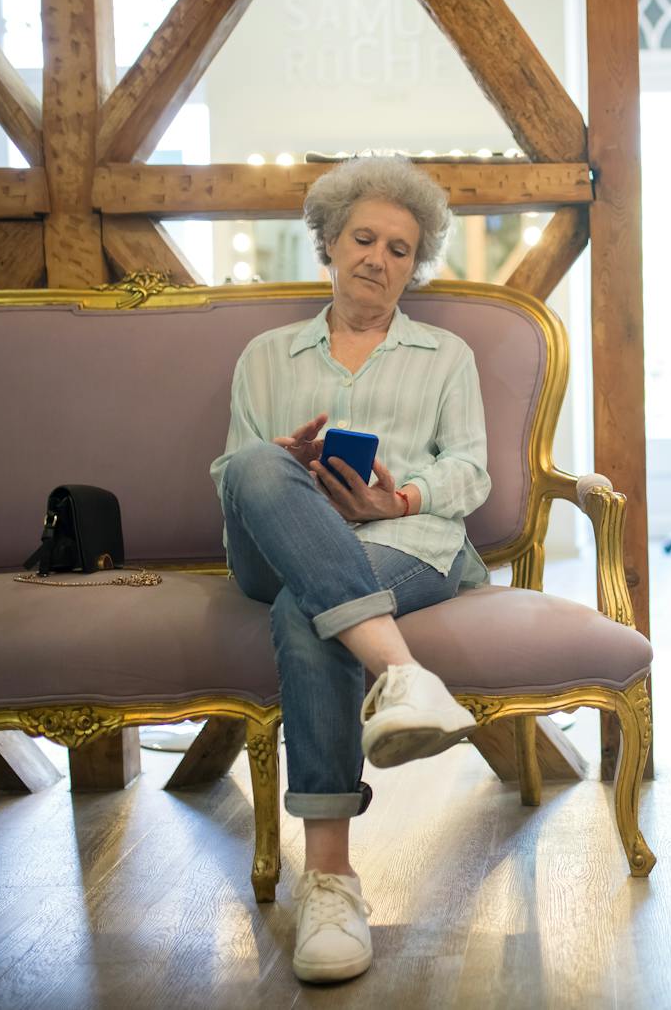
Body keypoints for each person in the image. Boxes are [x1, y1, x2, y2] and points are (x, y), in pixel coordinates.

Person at [209, 155, 491, 984]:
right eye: (363, 238)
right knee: (258, 464)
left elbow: (471, 474)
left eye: (400, 248)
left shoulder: (446, 355)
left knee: (309, 607)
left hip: (406, 546)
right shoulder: (267, 355)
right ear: (328, 243)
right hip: (273, 544)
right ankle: (402, 674)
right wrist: (290, 471)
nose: (378, 257)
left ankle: (329, 881)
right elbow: (230, 478)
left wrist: (397, 500)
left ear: (416, 264)